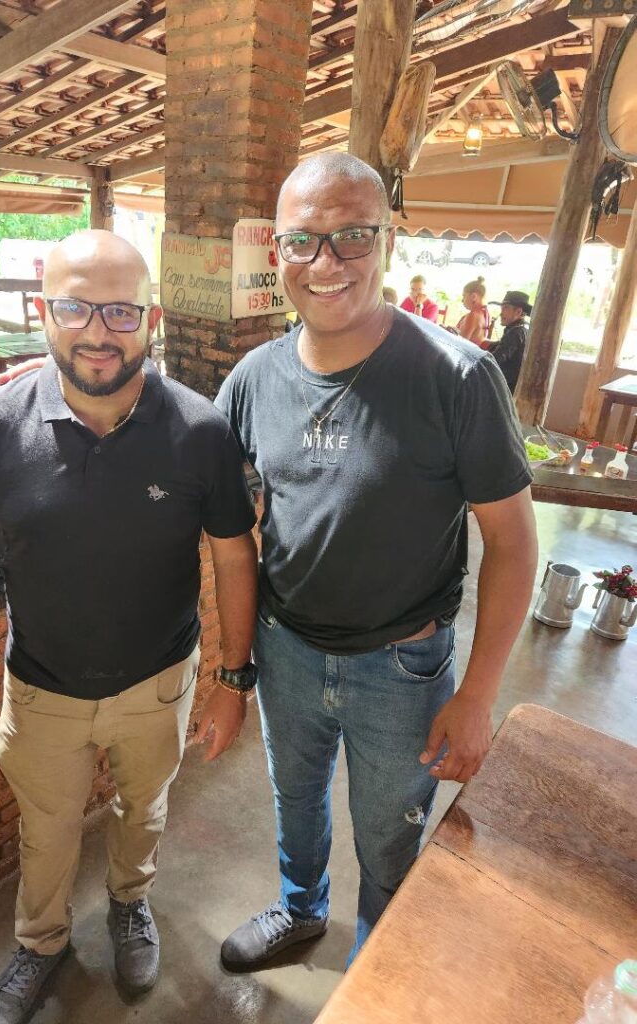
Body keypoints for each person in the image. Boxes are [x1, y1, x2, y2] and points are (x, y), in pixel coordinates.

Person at [213, 153, 538, 970]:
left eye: (352, 236)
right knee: (295, 799)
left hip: (402, 667)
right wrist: (67, 385)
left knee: (392, 830)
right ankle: (300, 908)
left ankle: (377, 963)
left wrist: (478, 694)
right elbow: (186, 461)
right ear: (278, 251)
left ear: (388, 239)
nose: (326, 262)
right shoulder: (255, 378)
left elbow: (512, 542)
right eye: (304, 240)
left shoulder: (457, 376)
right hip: (286, 651)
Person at [0, 230, 258, 1024]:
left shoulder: (200, 431)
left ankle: (130, 904)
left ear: (152, 320)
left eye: (120, 311)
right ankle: (40, 943)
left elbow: (235, 556)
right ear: (43, 313)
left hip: (160, 682)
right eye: (75, 308)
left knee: (144, 808)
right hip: (41, 688)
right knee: (46, 831)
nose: (97, 332)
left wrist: (233, 681)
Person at [487, 289, 531, 393]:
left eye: (505, 308)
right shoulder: (521, 330)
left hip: (506, 389)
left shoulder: (516, 332)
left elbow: (496, 358)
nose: (501, 313)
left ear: (518, 312)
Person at [455, 276, 490, 347]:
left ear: (474, 296)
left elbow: (459, 345)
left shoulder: (473, 316)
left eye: (464, 296)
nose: (462, 300)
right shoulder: (485, 314)